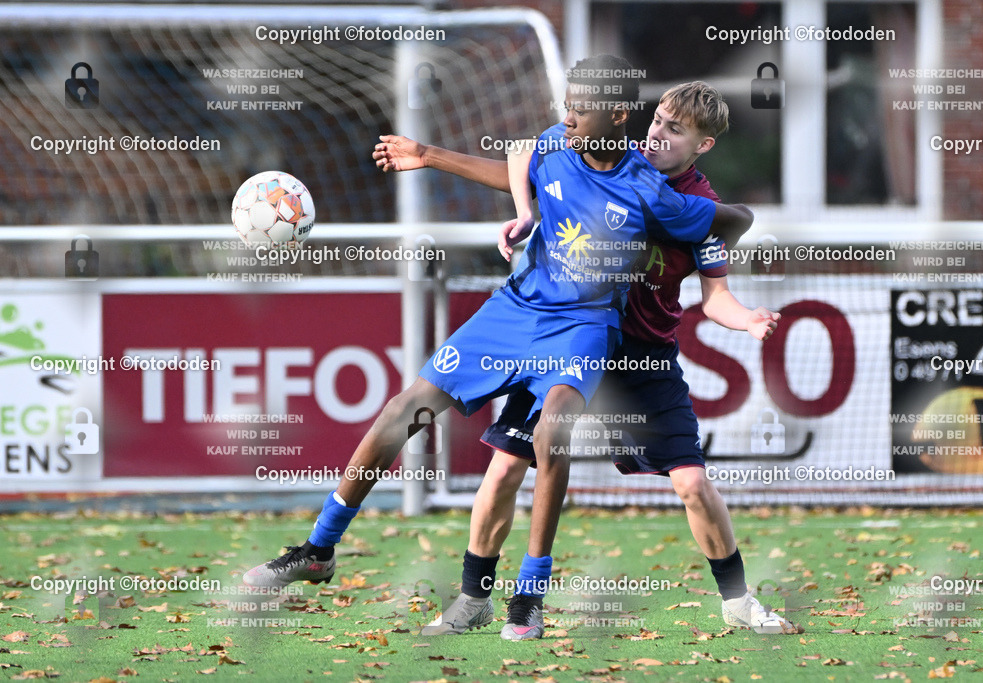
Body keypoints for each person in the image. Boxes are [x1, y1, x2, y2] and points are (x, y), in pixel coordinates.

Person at [242, 57, 756, 644]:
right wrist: (450, 167)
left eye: (578, 109)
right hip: (514, 312)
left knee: (552, 435)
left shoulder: (648, 188)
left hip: (583, 327)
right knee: (401, 412)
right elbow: (521, 158)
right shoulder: (557, 141)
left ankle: (530, 594)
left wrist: (731, 221)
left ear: (616, 114)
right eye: (566, 106)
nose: (566, 117)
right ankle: (318, 549)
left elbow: (730, 221)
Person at [374, 81, 796, 638]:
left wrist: (749, 320)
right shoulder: (605, 152)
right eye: (658, 119)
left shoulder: (700, 211)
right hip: (566, 337)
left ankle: (738, 601)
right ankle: (473, 600)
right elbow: (523, 157)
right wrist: (461, 174)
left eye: (675, 129)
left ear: (703, 145)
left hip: (641, 359)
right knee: (504, 469)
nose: (657, 132)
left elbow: (716, 297)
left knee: (692, 484)